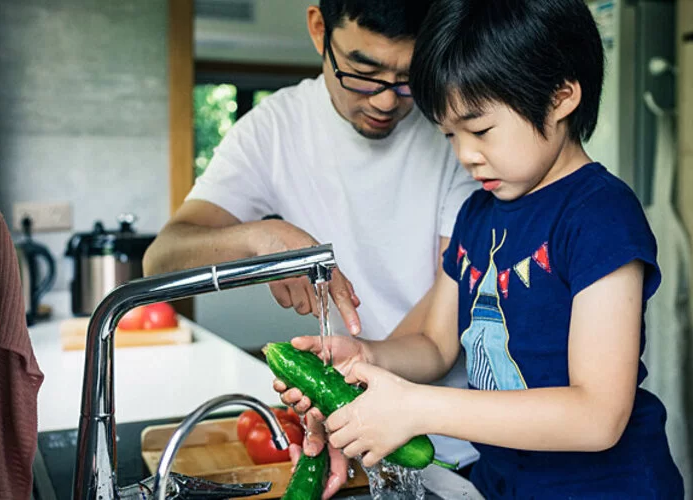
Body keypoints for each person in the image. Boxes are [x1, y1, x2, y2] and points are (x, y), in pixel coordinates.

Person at [279, 0, 685, 497]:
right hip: (501, 485)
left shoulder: (599, 214)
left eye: (480, 129)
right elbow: (434, 345)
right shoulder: (477, 215)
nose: (465, 155)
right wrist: (367, 356)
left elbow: (597, 415)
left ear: (560, 97)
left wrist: (417, 408)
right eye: (450, 134)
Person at [144, 1, 478, 496]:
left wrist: (364, 360)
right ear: (319, 28)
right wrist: (261, 238)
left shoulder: (453, 128)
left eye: (408, 79)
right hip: (358, 434)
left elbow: (442, 319)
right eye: (363, 73)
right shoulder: (274, 129)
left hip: (464, 437)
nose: (386, 100)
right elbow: (161, 259)